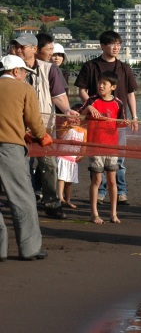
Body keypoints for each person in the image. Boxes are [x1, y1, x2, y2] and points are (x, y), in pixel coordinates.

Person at [9, 32, 77, 219]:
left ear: (34, 49)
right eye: (16, 46)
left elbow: (58, 95)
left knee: (49, 165)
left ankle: (52, 203)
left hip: (43, 126)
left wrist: (67, 111)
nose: (18, 50)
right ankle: (24, 203)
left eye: (23, 46)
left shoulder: (49, 69)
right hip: (16, 127)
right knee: (20, 166)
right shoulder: (9, 69)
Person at [74, 31, 138, 205]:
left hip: (118, 122)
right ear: (102, 46)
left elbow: (131, 93)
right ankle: (100, 191)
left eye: (118, 44)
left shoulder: (124, 68)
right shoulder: (91, 66)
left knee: (119, 158)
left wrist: (134, 116)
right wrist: (90, 105)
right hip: (95, 122)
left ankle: (121, 191)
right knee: (97, 157)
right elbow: (81, 89)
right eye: (112, 44)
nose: (116, 47)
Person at [0, 54, 53, 260]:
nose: (25, 76)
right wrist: (41, 136)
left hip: (9, 141)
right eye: (23, 73)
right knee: (22, 198)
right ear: (15, 72)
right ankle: (29, 248)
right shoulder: (24, 89)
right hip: (10, 149)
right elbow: (33, 119)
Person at [81, 73, 126, 224]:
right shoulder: (92, 100)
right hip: (94, 145)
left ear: (113, 87)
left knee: (112, 180)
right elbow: (79, 117)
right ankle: (94, 214)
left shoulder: (118, 103)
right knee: (97, 179)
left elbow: (122, 122)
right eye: (99, 83)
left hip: (111, 146)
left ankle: (113, 213)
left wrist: (128, 123)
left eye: (104, 84)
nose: (101, 86)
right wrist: (88, 109)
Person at [55, 114, 86, 209]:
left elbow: (84, 145)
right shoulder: (66, 124)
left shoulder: (84, 131)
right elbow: (60, 136)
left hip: (73, 158)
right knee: (61, 177)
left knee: (69, 181)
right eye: (74, 118)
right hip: (62, 155)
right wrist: (68, 126)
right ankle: (60, 197)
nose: (76, 120)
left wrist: (82, 154)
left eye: (78, 118)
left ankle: (67, 200)